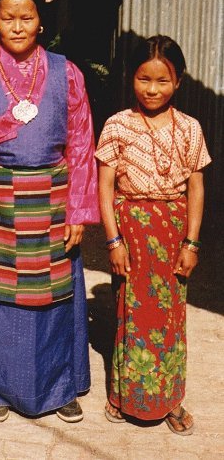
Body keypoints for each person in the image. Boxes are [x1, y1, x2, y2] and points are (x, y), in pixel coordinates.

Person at [0, 0, 99, 423]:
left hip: (54, 200)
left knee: (54, 296)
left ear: (40, 21)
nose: (17, 25)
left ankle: (59, 387)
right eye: (7, 17)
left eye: (27, 16)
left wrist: (78, 209)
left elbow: (80, 144)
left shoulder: (66, 72)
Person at [95, 35, 211, 435]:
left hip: (173, 231)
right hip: (131, 232)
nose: (152, 89)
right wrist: (113, 241)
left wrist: (191, 243)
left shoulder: (191, 129)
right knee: (129, 313)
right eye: (144, 79)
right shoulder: (117, 126)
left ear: (178, 81)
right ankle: (122, 396)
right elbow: (105, 187)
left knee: (171, 318)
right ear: (132, 78)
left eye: (163, 81)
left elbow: (196, 187)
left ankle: (171, 400)